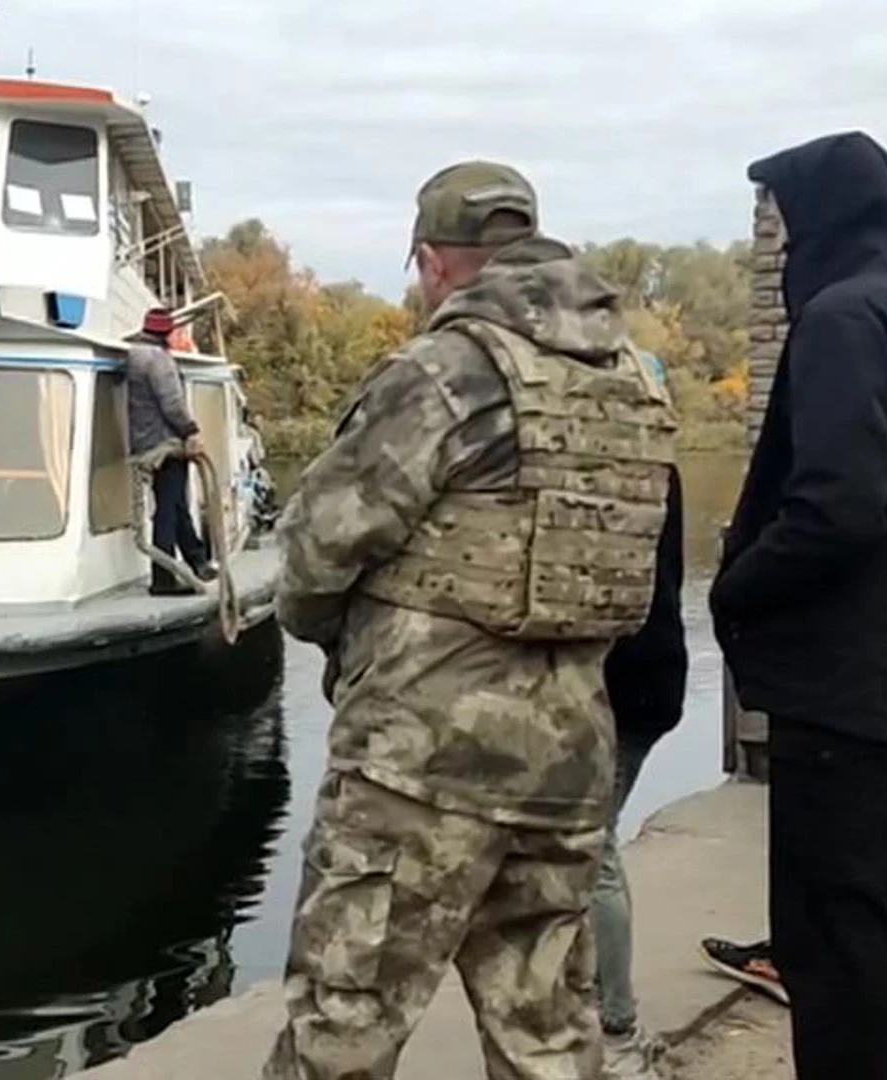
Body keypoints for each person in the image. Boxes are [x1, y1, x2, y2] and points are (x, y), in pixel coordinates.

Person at [264, 161, 678, 1080]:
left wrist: (341, 640)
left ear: (433, 263)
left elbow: (313, 553)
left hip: (419, 766)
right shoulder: (638, 384)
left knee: (343, 1029)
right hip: (570, 758)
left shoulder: (446, 371)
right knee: (549, 1039)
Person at [712, 130, 887, 1079]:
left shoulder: (843, 318)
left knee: (839, 953)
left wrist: (737, 588)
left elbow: (838, 504)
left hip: (848, 700)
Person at [593, 455, 688, 1079]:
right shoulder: (660, 464)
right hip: (657, 675)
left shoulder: (597, 465)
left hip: (619, 686)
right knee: (591, 847)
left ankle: (616, 1029)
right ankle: (607, 1016)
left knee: (589, 852)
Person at [127, 307, 213, 594]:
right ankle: (163, 579)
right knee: (168, 510)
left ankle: (197, 560)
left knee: (175, 506)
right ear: (167, 333)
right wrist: (191, 431)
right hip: (165, 446)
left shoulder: (133, 354)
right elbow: (172, 404)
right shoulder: (159, 360)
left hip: (144, 443)